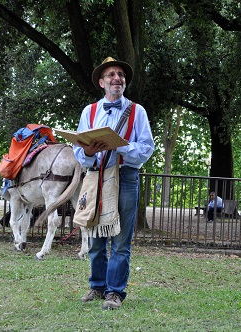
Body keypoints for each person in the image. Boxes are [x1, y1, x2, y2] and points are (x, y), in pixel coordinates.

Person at [73, 56, 155, 310]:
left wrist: (122, 147)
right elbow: (79, 152)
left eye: (120, 74)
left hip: (126, 177)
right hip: (96, 176)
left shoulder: (137, 111)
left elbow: (147, 148)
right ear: (101, 82)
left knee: (120, 240)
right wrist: (88, 152)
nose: (117, 78)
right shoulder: (90, 111)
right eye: (111, 75)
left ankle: (115, 292)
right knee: (96, 235)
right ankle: (97, 286)